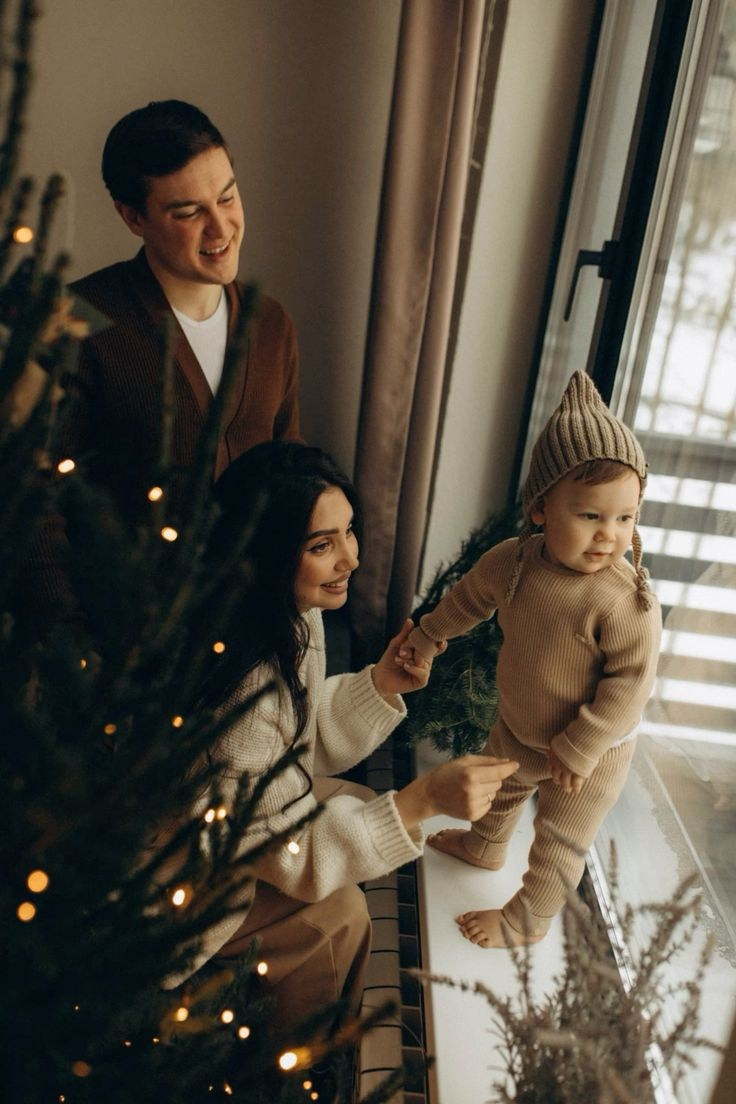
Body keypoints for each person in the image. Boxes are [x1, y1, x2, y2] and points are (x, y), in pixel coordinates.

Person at [182, 440, 517, 1047]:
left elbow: (297, 745)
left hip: (241, 831)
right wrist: (421, 801)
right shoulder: (242, 688)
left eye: (349, 533)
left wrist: (382, 682)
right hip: (188, 887)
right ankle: (300, 1066)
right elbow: (292, 853)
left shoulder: (285, 613)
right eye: (321, 546)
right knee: (341, 917)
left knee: (354, 804)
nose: (350, 560)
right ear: (266, 553)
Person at [404, 371, 662, 948]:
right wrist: (427, 637)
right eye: (590, 516)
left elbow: (629, 686)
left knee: (558, 840)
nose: (609, 537)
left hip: (590, 754)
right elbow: (466, 601)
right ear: (541, 509)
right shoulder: (515, 562)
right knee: (498, 790)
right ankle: (484, 846)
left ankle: (527, 921)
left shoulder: (628, 601)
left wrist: (581, 745)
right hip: (520, 724)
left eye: (626, 518)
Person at [32, 100, 300, 612]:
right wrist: (69, 639)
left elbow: (293, 475)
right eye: (189, 212)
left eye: (227, 197)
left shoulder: (270, 324)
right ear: (134, 217)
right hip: (123, 642)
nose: (221, 230)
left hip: (250, 626)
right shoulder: (78, 320)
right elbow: (35, 497)